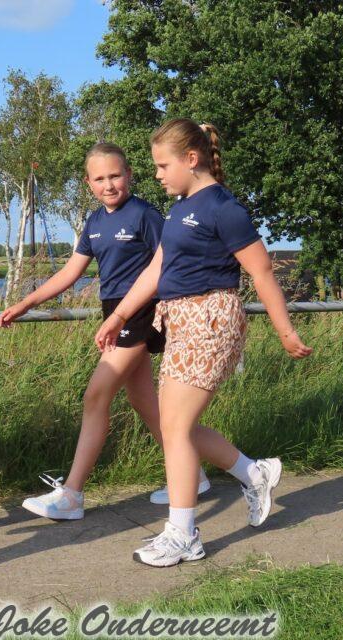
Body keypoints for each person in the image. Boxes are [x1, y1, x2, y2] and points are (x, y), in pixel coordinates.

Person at [95, 119, 311, 567]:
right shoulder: (180, 208)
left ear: (191, 160)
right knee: (178, 425)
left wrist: (286, 331)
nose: (157, 174)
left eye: (163, 165)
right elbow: (155, 269)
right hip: (179, 320)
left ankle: (183, 535)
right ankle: (254, 473)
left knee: (175, 428)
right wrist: (118, 315)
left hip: (211, 318)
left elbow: (261, 272)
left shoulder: (223, 208)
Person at [0, 142, 208, 520]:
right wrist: (26, 302)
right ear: (88, 183)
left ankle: (72, 495)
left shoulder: (145, 215)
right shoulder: (95, 222)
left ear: (129, 175)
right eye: (99, 179)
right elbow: (70, 272)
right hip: (113, 311)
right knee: (145, 403)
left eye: (115, 176)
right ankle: (194, 476)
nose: (109, 185)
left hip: (141, 311)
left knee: (96, 396)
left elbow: (169, 263)